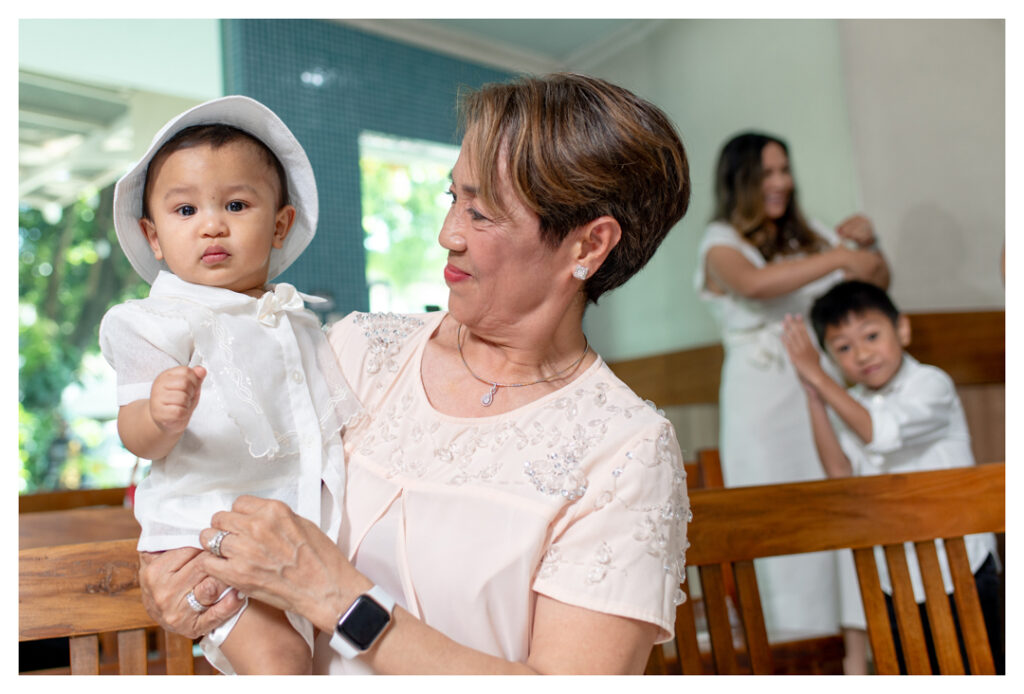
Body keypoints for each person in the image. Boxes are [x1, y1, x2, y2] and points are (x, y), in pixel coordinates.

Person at [135, 73, 691, 675]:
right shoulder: (357, 350)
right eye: (453, 198)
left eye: (481, 213)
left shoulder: (626, 452)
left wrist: (337, 598)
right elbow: (201, 478)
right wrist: (185, 588)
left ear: (589, 246)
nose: (447, 234)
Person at [98, 96, 359, 674]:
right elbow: (136, 438)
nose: (212, 223)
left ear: (280, 225)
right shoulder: (154, 321)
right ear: (154, 236)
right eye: (185, 210)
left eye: (236, 204)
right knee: (281, 663)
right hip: (208, 535)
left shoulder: (296, 319)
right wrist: (160, 417)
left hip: (298, 540)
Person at [693, 132, 889, 645]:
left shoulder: (810, 235)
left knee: (833, 499)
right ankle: (783, 642)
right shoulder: (720, 242)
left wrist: (867, 247)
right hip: (760, 396)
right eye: (768, 173)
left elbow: (873, 282)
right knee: (773, 507)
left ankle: (847, 642)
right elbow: (755, 286)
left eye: (785, 170)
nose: (781, 182)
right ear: (740, 181)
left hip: (819, 386)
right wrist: (838, 259)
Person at [781, 280, 1003, 674]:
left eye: (871, 335)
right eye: (843, 347)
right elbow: (839, 472)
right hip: (895, 573)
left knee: (981, 670)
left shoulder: (930, 384)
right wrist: (814, 394)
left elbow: (878, 433)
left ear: (901, 330)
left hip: (962, 567)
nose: (862, 353)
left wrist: (821, 377)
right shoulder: (852, 404)